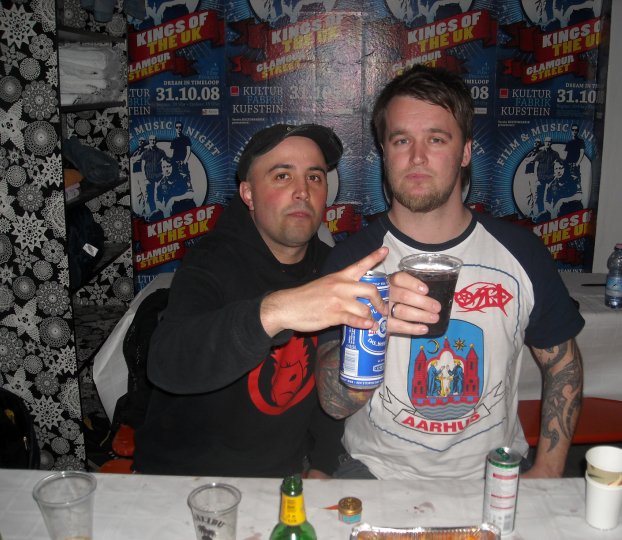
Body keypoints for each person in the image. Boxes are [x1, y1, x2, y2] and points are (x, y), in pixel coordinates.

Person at [316, 65, 584, 481]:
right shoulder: (353, 262)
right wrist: (374, 322)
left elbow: (562, 364)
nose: (417, 157)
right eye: (401, 140)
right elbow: (334, 404)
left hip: (496, 471)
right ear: (385, 152)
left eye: (436, 139)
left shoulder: (521, 253)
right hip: (378, 473)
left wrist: (548, 469)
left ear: (465, 152)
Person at [133, 123, 389, 478]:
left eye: (314, 177)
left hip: (284, 477)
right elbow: (167, 363)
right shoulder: (211, 261)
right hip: (187, 478)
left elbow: (329, 377)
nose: (302, 191)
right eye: (283, 176)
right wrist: (275, 311)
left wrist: (322, 463)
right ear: (249, 194)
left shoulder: (330, 267)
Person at [140, 134, 167, 216]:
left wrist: (164, 174)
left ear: (156, 141)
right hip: (149, 178)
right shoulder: (145, 153)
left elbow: (166, 162)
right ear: (149, 141)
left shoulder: (161, 152)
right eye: (151, 140)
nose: (152, 141)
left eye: (154, 140)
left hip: (159, 177)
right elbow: (142, 167)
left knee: (162, 195)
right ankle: (154, 212)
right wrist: (145, 179)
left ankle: (165, 212)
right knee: (150, 197)